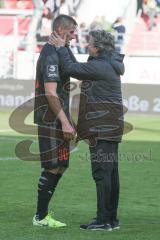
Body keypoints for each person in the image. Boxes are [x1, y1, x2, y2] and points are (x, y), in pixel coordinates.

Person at [49, 29, 125, 230]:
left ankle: (103, 221)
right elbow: (78, 65)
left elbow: (70, 68)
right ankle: (110, 219)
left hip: (103, 127)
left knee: (102, 174)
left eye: (89, 43)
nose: (87, 45)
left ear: (97, 47)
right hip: (109, 126)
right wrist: (66, 47)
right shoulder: (107, 63)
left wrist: (59, 48)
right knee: (110, 174)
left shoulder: (100, 66)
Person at [33, 14, 77, 228]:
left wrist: (67, 120)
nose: (74, 36)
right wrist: (65, 121)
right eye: (71, 32)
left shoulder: (62, 50)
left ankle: (43, 215)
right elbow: (50, 93)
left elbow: (77, 69)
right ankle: (40, 217)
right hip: (50, 119)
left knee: (61, 165)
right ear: (60, 30)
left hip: (60, 119)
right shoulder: (50, 53)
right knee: (52, 166)